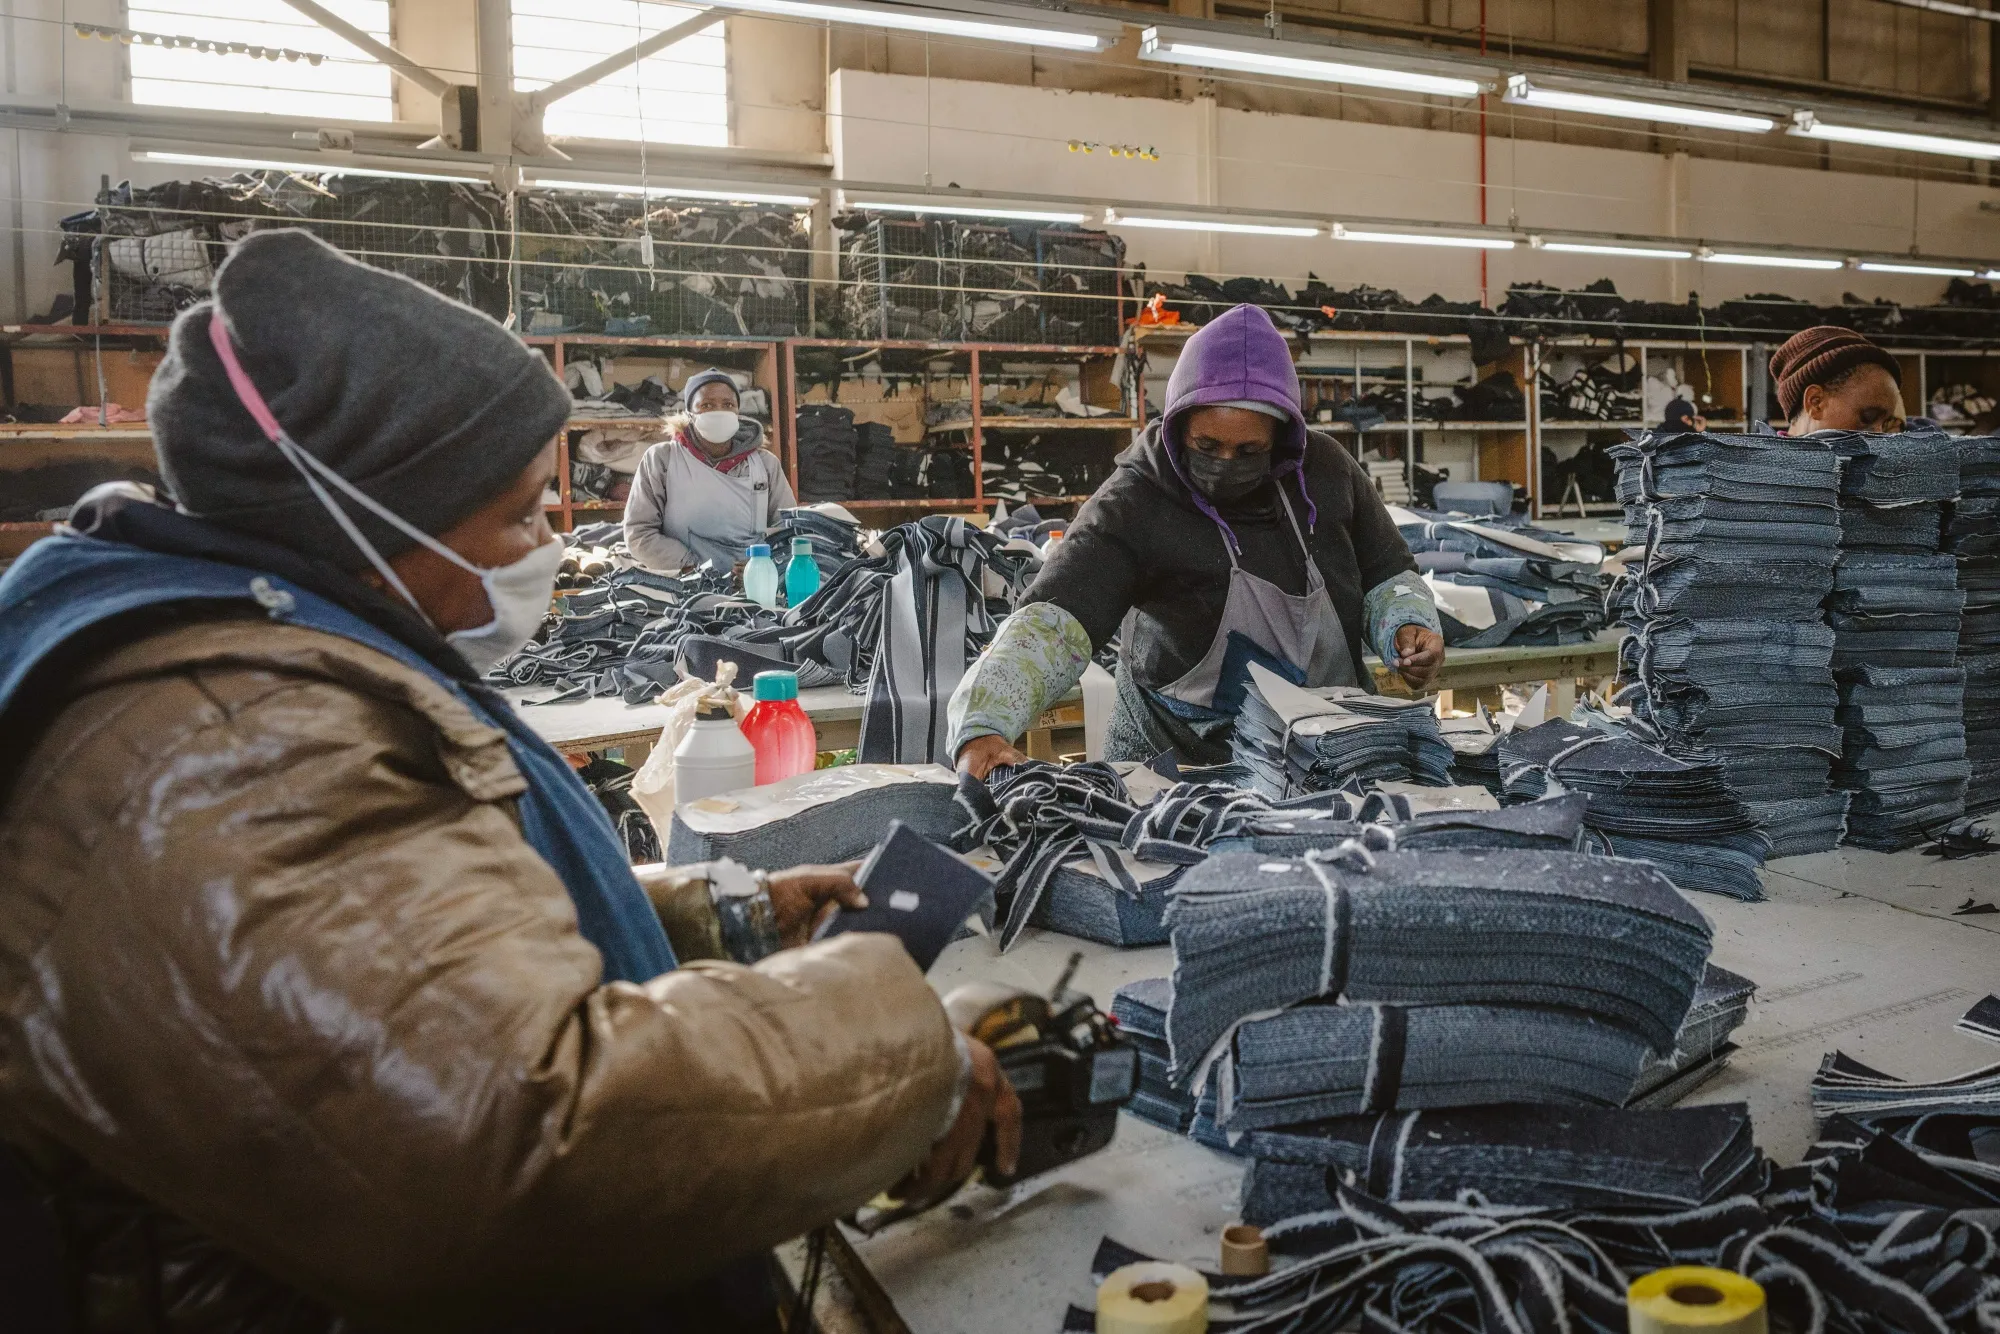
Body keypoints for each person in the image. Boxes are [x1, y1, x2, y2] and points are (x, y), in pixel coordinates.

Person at [0, 230, 1017, 1332]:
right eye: (524, 511)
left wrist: (703, 917)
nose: (546, 541)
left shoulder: (269, 651)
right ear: (379, 514)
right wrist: (899, 1048)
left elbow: (408, 927)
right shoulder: (237, 746)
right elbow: (526, 1135)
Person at [950, 303, 1445, 775]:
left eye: (1249, 449)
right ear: (1178, 423)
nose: (1226, 462)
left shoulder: (1326, 472)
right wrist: (984, 726)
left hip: (1329, 748)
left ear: (1282, 440)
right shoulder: (1135, 501)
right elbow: (1055, 621)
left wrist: (1405, 625)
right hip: (1180, 761)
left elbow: (1388, 572)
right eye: (1207, 446)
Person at [623, 369, 795, 573]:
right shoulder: (663, 459)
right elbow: (639, 533)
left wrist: (762, 566)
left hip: (752, 584)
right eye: (707, 405)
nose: (719, 411)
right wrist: (691, 567)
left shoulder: (765, 465)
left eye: (728, 405)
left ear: (738, 412)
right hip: (682, 585)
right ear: (689, 413)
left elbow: (789, 529)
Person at [1770, 326, 1907, 435]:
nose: (1880, 435)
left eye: (1885, 425)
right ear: (1815, 402)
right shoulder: (1763, 468)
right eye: (1868, 417)